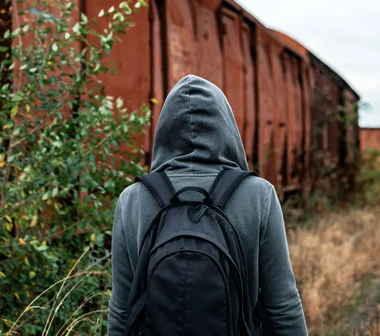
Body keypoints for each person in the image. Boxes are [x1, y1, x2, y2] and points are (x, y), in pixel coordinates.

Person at [107, 74, 307, 335]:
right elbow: (282, 305)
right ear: (227, 127)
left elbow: (121, 309)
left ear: (165, 129)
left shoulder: (132, 198)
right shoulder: (259, 195)